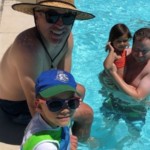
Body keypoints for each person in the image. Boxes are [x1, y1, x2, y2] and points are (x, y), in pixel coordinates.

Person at [0, 0, 94, 141]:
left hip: (39, 94)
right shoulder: (28, 48)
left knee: (80, 90)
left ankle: (77, 140)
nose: (60, 25)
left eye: (67, 17)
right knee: (87, 114)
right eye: (52, 15)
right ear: (37, 16)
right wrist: (61, 138)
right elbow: (34, 105)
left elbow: (64, 80)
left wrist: (67, 107)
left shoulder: (67, 39)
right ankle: (80, 141)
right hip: (17, 106)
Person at [100, 27, 150, 132]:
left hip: (135, 109)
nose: (139, 55)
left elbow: (138, 97)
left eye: (144, 51)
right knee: (104, 129)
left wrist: (113, 74)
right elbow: (103, 76)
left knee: (133, 136)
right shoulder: (123, 54)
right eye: (136, 49)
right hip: (113, 101)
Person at [21, 69, 81, 150]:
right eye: (55, 104)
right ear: (38, 106)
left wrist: (66, 140)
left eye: (72, 102)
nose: (66, 110)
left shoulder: (46, 119)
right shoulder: (46, 146)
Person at [99, 23, 132, 96]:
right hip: (113, 82)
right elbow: (107, 66)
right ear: (112, 41)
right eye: (119, 41)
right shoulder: (114, 54)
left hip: (118, 80)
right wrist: (111, 51)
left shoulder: (124, 50)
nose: (122, 44)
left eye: (125, 41)